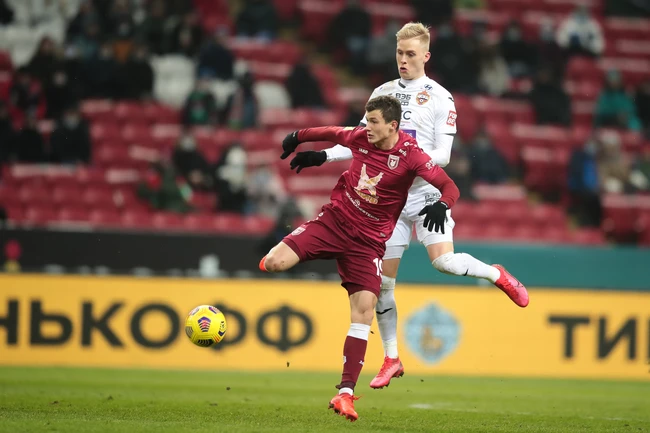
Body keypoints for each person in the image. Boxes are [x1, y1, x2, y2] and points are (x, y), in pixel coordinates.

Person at [288, 22, 529, 390]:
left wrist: (403, 159)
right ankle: (391, 358)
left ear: (426, 56)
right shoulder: (383, 93)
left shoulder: (440, 98)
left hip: (425, 193)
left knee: (444, 262)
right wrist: (324, 155)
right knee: (384, 285)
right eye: (399, 53)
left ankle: (496, 275)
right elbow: (361, 140)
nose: (403, 59)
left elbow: (444, 155)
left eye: (411, 54)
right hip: (388, 201)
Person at [259, 95, 461, 421]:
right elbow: (331, 131)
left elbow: (449, 186)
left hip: (367, 244)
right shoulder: (360, 137)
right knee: (273, 263)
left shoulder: (412, 155)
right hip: (334, 222)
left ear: (392, 126)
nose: (367, 127)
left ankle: (345, 394)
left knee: (364, 312)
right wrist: (298, 136)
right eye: (366, 121)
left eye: (373, 122)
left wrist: (442, 204)